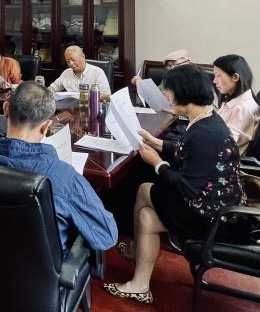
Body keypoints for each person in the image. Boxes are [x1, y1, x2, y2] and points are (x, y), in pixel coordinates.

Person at [104, 65, 244, 305]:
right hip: (214, 206)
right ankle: (139, 283)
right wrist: (156, 143)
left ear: (183, 93)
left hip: (213, 218)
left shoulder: (204, 134)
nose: (166, 96)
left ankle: (136, 254)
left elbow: (188, 188)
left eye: (169, 91)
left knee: (145, 189)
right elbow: (186, 150)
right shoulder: (206, 119)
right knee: (147, 215)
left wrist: (157, 163)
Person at [0, 82, 118, 256]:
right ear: (46, 127)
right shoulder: (65, 178)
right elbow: (106, 234)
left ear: (5, 108)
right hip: (37, 272)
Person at [213, 54, 260, 154]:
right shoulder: (235, 101)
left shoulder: (242, 108)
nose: (214, 81)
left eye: (218, 76)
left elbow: (226, 146)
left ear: (235, 77)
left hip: (221, 158)